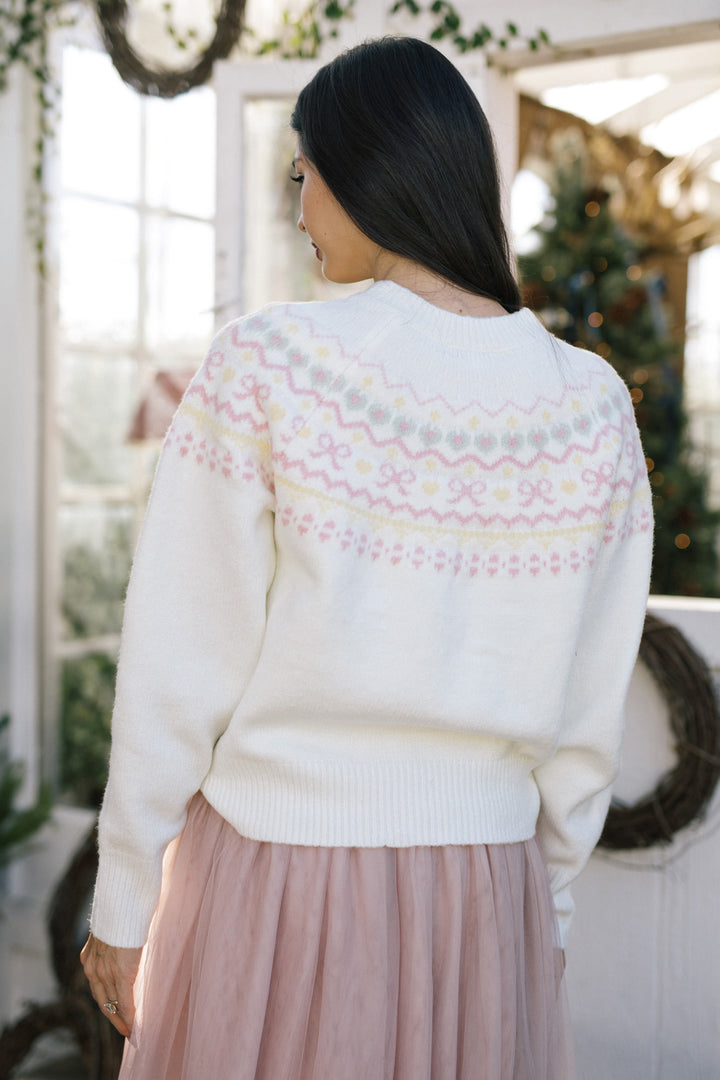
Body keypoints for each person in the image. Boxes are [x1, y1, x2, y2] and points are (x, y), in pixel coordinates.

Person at [81, 36, 653, 1079]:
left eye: (303, 174)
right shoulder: (591, 405)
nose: (299, 208)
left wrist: (124, 899)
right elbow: (585, 719)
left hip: (274, 886)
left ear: (368, 169)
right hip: (486, 899)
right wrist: (546, 912)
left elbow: (180, 663)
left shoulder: (269, 364)